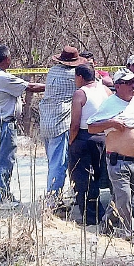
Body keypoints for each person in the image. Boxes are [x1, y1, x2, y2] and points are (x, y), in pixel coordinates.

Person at [87, 69, 134, 241]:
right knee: (125, 200)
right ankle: (131, 235)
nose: (133, 86)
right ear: (118, 86)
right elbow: (91, 126)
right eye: (129, 83)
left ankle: (106, 227)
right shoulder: (110, 104)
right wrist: (111, 122)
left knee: (118, 199)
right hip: (118, 162)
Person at [0, 44, 45, 206]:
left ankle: (1, 193)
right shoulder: (2, 77)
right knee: (3, 159)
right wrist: (54, 87)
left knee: (0, 158)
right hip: (3, 122)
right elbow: (30, 87)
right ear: (6, 59)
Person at [68, 64, 113, 224]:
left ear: (80, 77)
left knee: (83, 179)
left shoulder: (80, 94)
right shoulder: (105, 90)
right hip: (103, 137)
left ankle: (91, 216)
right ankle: (103, 213)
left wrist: (71, 141)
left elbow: (75, 124)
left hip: (84, 137)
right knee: (97, 176)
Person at [39, 46, 85, 202]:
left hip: (46, 120)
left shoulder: (52, 71)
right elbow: (94, 82)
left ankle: (53, 195)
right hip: (61, 122)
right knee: (59, 164)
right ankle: (52, 200)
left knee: (52, 162)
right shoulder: (74, 76)